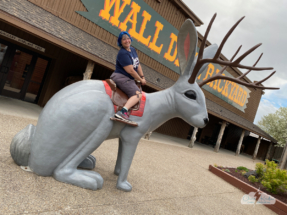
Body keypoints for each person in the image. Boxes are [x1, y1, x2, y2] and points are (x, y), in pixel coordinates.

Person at [110, 31, 146, 122]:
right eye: (124, 39)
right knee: (137, 94)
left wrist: (142, 76)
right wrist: (140, 80)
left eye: (128, 38)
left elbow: (138, 65)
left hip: (128, 78)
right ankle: (123, 112)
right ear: (120, 42)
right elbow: (130, 71)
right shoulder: (122, 53)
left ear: (130, 39)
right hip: (121, 77)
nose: (126, 40)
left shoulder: (133, 50)